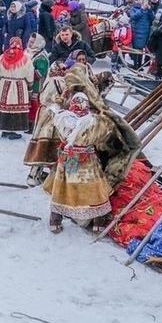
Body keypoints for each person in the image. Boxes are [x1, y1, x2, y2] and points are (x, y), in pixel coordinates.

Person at [44, 92, 114, 233]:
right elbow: (106, 133)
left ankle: (55, 221)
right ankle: (98, 223)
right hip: (87, 160)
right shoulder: (96, 121)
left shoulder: (62, 118)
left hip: (67, 159)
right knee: (95, 190)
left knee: (61, 189)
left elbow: (53, 110)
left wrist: (60, 99)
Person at [0, 37, 35, 140]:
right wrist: (30, 88)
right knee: (15, 108)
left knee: (5, 106)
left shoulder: (2, 57)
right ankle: (13, 130)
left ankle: (4, 129)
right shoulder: (26, 59)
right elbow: (30, 75)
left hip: (4, 85)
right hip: (19, 86)